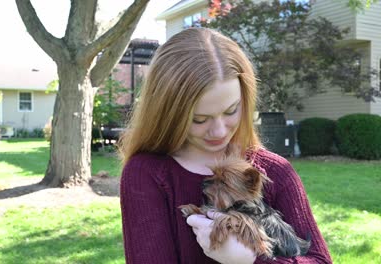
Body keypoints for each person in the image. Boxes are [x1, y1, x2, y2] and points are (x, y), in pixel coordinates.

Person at [118, 27, 332, 264]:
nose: (219, 131)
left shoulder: (275, 172)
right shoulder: (147, 174)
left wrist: (251, 260)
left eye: (231, 110)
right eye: (199, 119)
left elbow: (320, 260)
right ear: (168, 114)